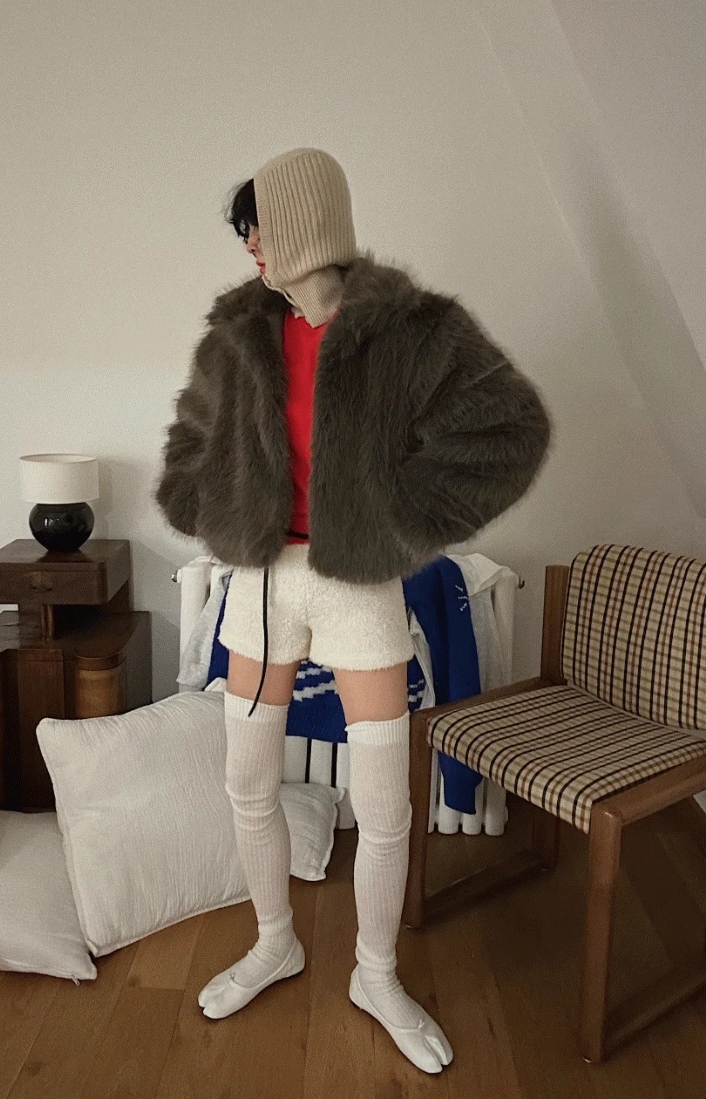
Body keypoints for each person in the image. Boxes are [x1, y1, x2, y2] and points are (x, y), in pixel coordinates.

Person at [155, 147, 551, 1074]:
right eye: (244, 234)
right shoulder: (238, 336)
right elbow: (188, 446)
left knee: (381, 801)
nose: (251, 247)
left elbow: (512, 430)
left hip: (359, 584)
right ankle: (274, 941)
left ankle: (377, 973)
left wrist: (403, 520)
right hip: (263, 584)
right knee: (247, 780)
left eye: (259, 225)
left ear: (303, 222)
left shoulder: (412, 329)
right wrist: (214, 509)